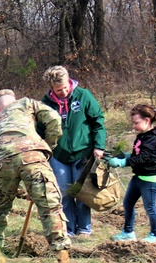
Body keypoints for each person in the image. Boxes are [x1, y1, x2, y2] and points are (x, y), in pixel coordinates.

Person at [0, 89, 86, 263]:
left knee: (0, 207)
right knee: (50, 205)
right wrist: (50, 143)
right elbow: (53, 117)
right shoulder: (26, 103)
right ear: (14, 100)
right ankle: (64, 262)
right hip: (32, 156)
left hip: (2, 161)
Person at [40, 66, 107, 237]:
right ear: (51, 88)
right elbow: (40, 129)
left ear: (69, 81)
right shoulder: (45, 104)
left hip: (82, 153)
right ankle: (68, 230)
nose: (63, 91)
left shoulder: (83, 95)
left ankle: (84, 229)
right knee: (64, 192)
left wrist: (99, 146)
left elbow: (98, 121)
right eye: (58, 90)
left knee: (82, 192)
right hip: (59, 154)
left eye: (65, 87)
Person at [106, 104, 156, 244]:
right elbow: (136, 154)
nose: (134, 126)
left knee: (150, 207)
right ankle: (128, 232)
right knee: (128, 203)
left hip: (150, 178)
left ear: (147, 120)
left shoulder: (153, 139)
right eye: (133, 123)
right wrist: (124, 156)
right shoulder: (142, 136)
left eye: (136, 123)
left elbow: (141, 159)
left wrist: (122, 163)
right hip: (138, 176)